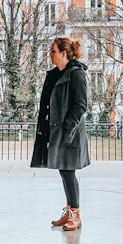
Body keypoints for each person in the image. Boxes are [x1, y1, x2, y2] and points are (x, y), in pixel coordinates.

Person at [30, 35, 90, 230]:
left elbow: (80, 105)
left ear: (64, 53)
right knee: (64, 171)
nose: (50, 55)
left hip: (70, 132)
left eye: (53, 51)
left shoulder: (76, 74)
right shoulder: (58, 73)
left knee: (68, 171)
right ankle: (70, 210)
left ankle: (76, 214)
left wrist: (66, 129)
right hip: (59, 131)